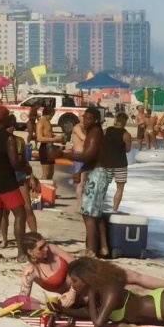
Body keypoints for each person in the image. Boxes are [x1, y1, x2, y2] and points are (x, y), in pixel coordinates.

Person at [19, 232, 164, 307]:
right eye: (41, 248)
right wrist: (46, 303)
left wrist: (75, 287)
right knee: (132, 290)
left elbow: (76, 264)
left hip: (83, 279)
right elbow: (22, 300)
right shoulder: (30, 272)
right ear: (31, 253)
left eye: (45, 244)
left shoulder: (52, 249)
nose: (46, 248)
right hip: (80, 296)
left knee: (132, 275)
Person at [0, 108, 33, 261]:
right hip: (6, 182)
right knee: (20, 215)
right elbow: (14, 163)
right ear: (6, 120)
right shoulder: (8, 138)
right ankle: (21, 253)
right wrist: (26, 168)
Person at [70, 107, 110, 257]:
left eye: (88, 118)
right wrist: (80, 171)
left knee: (88, 213)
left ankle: (91, 250)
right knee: (96, 213)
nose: (85, 121)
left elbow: (87, 155)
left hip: (97, 175)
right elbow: (93, 158)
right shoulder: (95, 132)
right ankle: (103, 247)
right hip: (97, 172)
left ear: (96, 120)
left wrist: (63, 155)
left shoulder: (95, 132)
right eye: (84, 118)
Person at [100, 112, 131, 213]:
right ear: (125, 122)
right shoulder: (126, 134)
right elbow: (128, 150)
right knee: (120, 188)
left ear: (116, 120)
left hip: (106, 162)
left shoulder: (106, 131)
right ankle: (114, 210)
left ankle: (98, 207)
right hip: (120, 163)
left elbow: (100, 142)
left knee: (103, 186)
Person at [35, 106, 64, 180]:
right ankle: (42, 186)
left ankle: (48, 187)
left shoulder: (48, 122)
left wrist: (58, 138)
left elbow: (49, 134)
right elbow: (39, 138)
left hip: (50, 147)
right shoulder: (41, 122)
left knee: (51, 173)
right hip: (44, 148)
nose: (52, 117)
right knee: (46, 173)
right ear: (49, 114)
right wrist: (54, 139)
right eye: (52, 115)